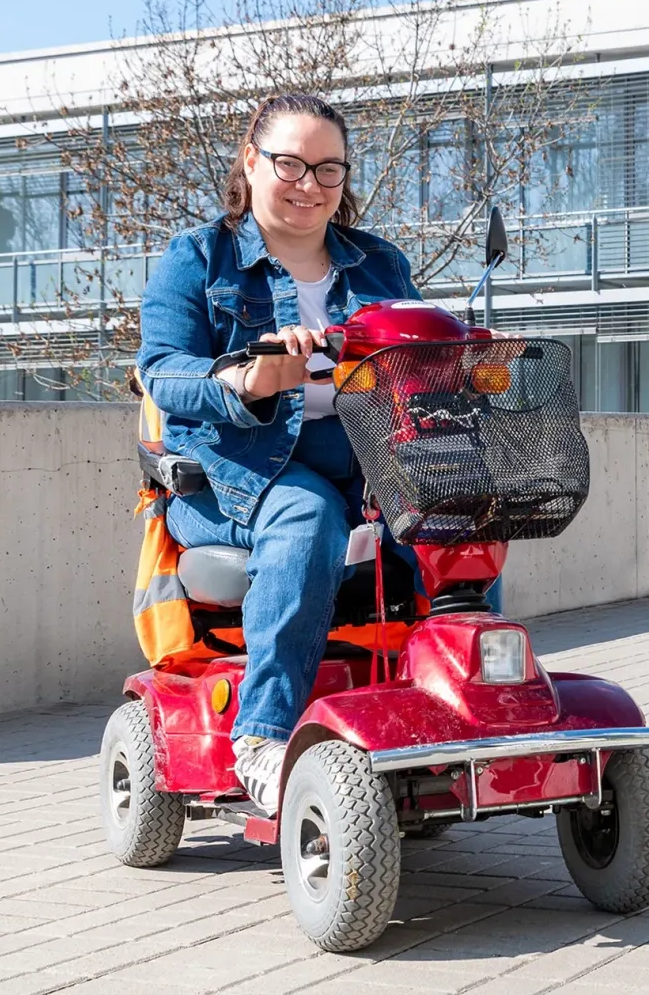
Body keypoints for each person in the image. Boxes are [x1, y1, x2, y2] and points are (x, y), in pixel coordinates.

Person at [137, 93, 421, 814]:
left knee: (456, 519)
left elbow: (421, 358)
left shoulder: (380, 264)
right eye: (290, 163)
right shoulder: (198, 259)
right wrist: (248, 377)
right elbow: (162, 371)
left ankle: (452, 706)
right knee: (306, 514)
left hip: (366, 464)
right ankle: (262, 737)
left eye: (329, 169)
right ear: (251, 160)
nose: (310, 185)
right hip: (235, 474)